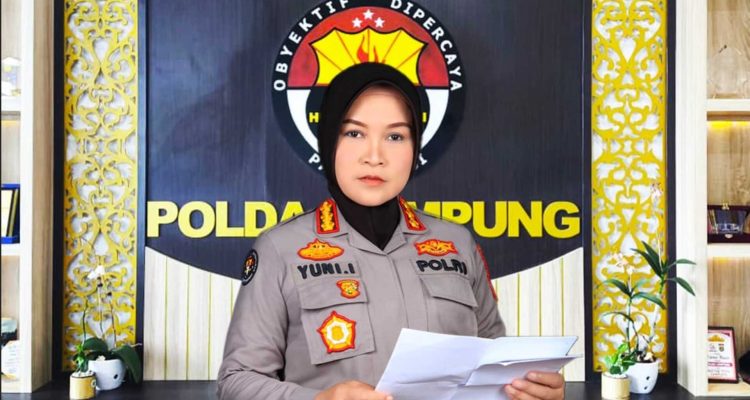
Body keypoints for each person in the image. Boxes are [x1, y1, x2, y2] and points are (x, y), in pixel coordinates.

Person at [218, 63, 565, 400]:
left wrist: (527, 389)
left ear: (415, 149)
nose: (375, 156)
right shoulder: (280, 249)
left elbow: (495, 370)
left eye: (395, 136)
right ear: (328, 141)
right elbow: (237, 381)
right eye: (354, 133)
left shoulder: (456, 243)